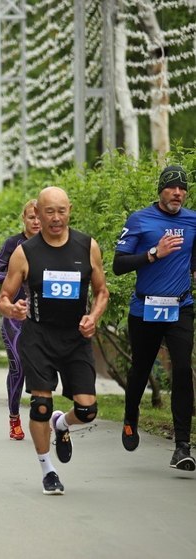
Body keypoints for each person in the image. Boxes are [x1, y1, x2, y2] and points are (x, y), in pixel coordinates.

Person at [0, 186, 108, 495]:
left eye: (61, 211)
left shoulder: (87, 246)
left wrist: (93, 317)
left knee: (87, 410)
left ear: (70, 210)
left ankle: (63, 425)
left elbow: (102, 291)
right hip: (38, 336)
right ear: (38, 214)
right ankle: (48, 470)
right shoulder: (25, 252)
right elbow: (3, 298)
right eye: (49, 212)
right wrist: (13, 309)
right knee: (41, 406)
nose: (56, 218)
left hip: (75, 337)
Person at [113, 164, 196, 471]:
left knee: (183, 369)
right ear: (161, 189)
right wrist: (153, 254)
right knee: (140, 369)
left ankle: (182, 446)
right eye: (172, 187)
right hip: (146, 308)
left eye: (183, 188)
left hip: (180, 307)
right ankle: (130, 415)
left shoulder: (193, 221)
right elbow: (118, 264)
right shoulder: (139, 220)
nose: (178, 193)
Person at [0, 199, 41, 440]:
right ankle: (14, 418)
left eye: (40, 216)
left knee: (42, 367)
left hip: (44, 317)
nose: (37, 221)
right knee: (18, 367)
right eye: (32, 217)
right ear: (24, 218)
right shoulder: (14, 244)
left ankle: (41, 413)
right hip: (15, 316)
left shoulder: (53, 243)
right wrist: (19, 272)